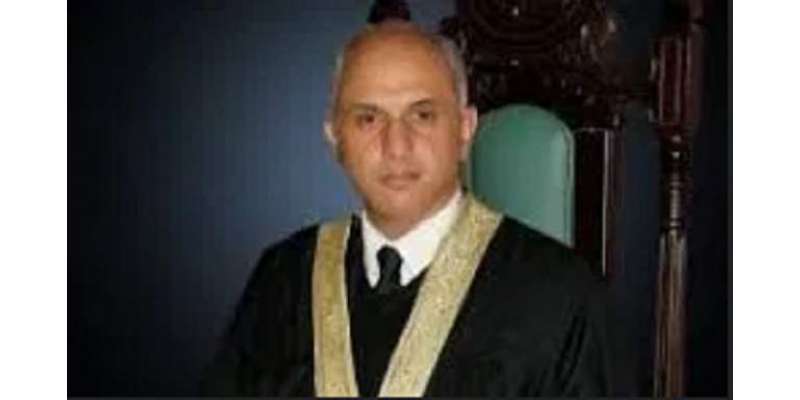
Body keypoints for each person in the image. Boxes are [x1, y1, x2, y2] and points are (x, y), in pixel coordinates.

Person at [200, 20, 611, 397]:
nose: (396, 146)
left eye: (423, 115)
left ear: (465, 129)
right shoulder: (282, 277)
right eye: (368, 119)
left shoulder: (560, 296)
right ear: (335, 138)